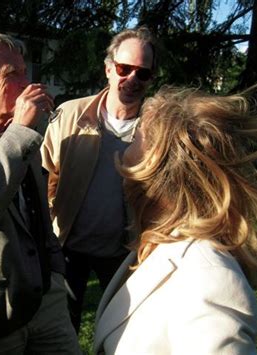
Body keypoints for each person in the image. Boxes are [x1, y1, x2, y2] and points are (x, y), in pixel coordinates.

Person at [94, 86, 257, 354]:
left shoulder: (211, 279)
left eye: (136, 138)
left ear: (155, 164)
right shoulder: (159, 243)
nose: (126, 150)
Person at [0, 31, 80, 354]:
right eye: (13, 75)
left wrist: (56, 271)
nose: (28, 84)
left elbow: (36, 204)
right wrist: (21, 131)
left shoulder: (22, 128)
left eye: (25, 71)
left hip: (45, 297)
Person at [41, 26, 157, 332]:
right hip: (67, 249)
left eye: (142, 73)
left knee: (123, 333)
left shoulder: (158, 131)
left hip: (125, 254)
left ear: (150, 79)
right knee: (64, 333)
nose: (132, 78)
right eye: (124, 68)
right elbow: (45, 175)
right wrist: (50, 226)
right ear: (108, 69)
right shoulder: (69, 115)